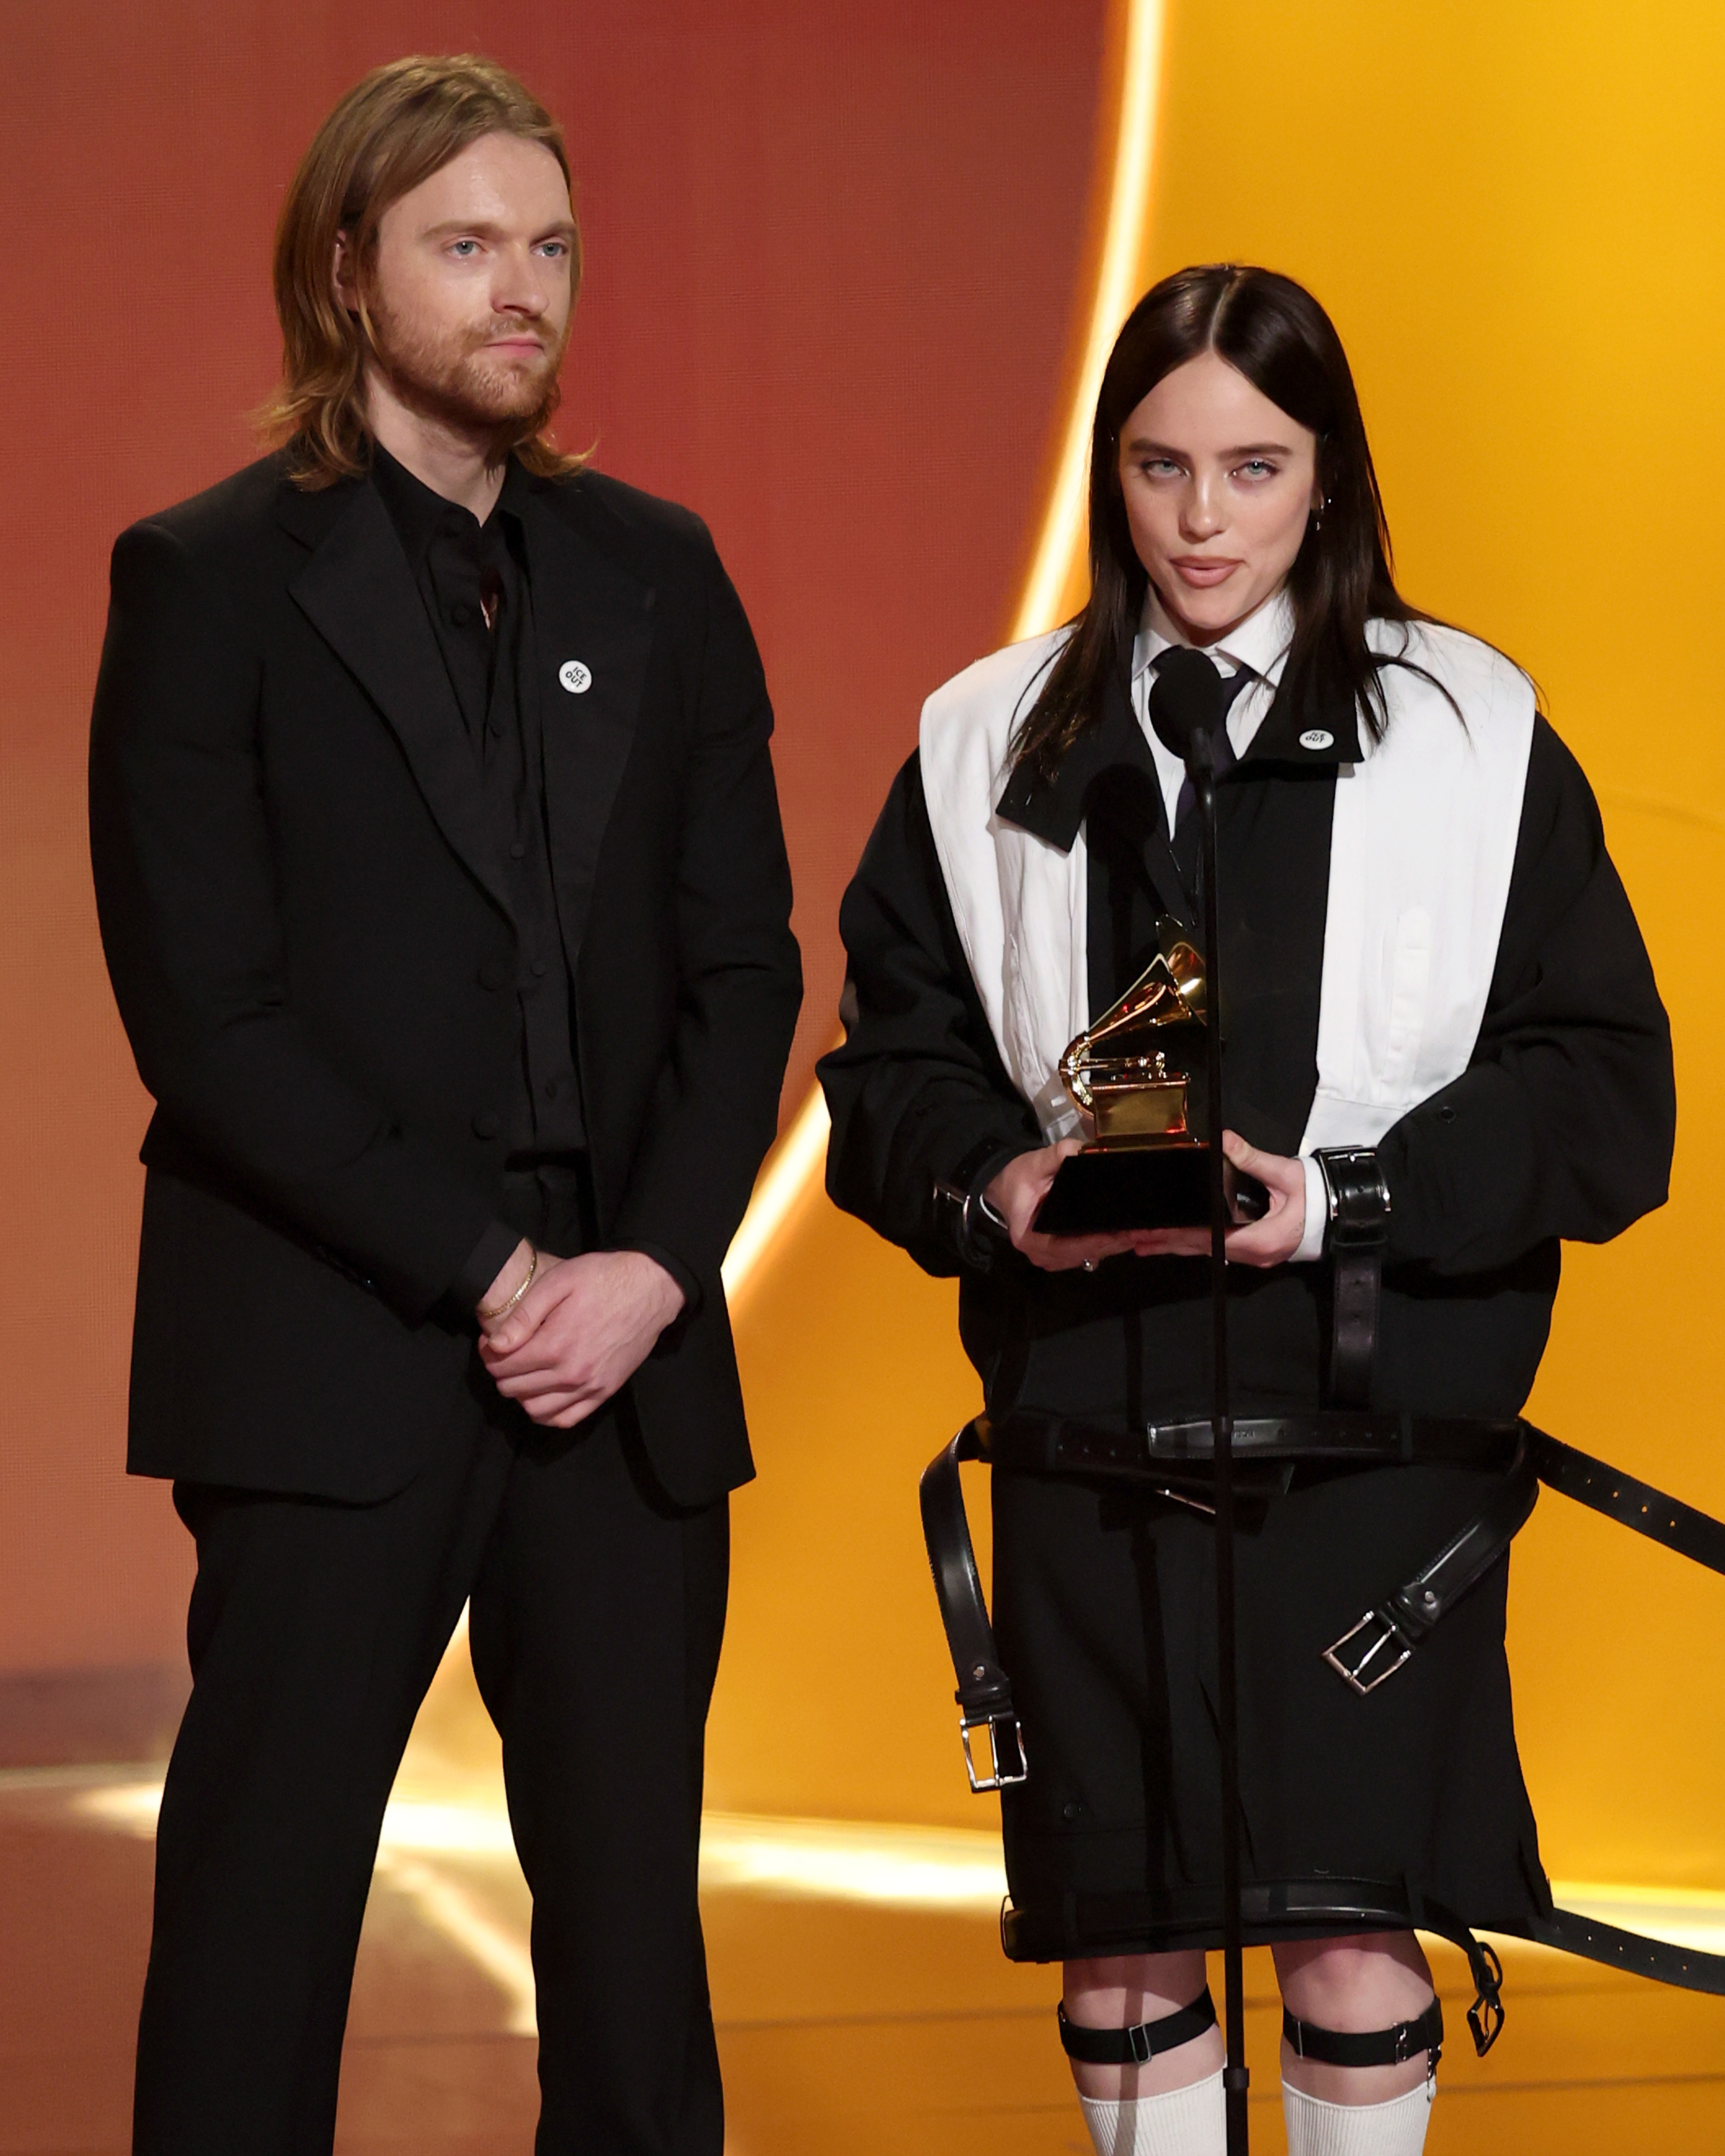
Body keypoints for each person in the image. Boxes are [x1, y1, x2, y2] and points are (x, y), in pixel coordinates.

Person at [820, 263, 1673, 2156]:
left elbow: (1610, 1103)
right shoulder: (978, 740)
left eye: (1253, 467)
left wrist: (1344, 1197)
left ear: (1327, 475)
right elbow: (884, 1079)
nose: (1201, 520)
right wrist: (998, 1184)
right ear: (1109, 474)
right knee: (1116, 1949)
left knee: (1349, 1930)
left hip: (1368, 1436)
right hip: (1085, 1424)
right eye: (1159, 467)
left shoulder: (1471, 734)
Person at [88, 54, 800, 2156]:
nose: (522, 290)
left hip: (625, 1376)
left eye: (550, 246)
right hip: (334, 1348)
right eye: (467, 243)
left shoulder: (657, 570)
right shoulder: (206, 580)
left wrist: (648, 1269)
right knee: (259, 1927)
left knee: (634, 1961)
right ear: (344, 268)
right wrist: (496, 1268)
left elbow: (746, 965)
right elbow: (207, 1014)